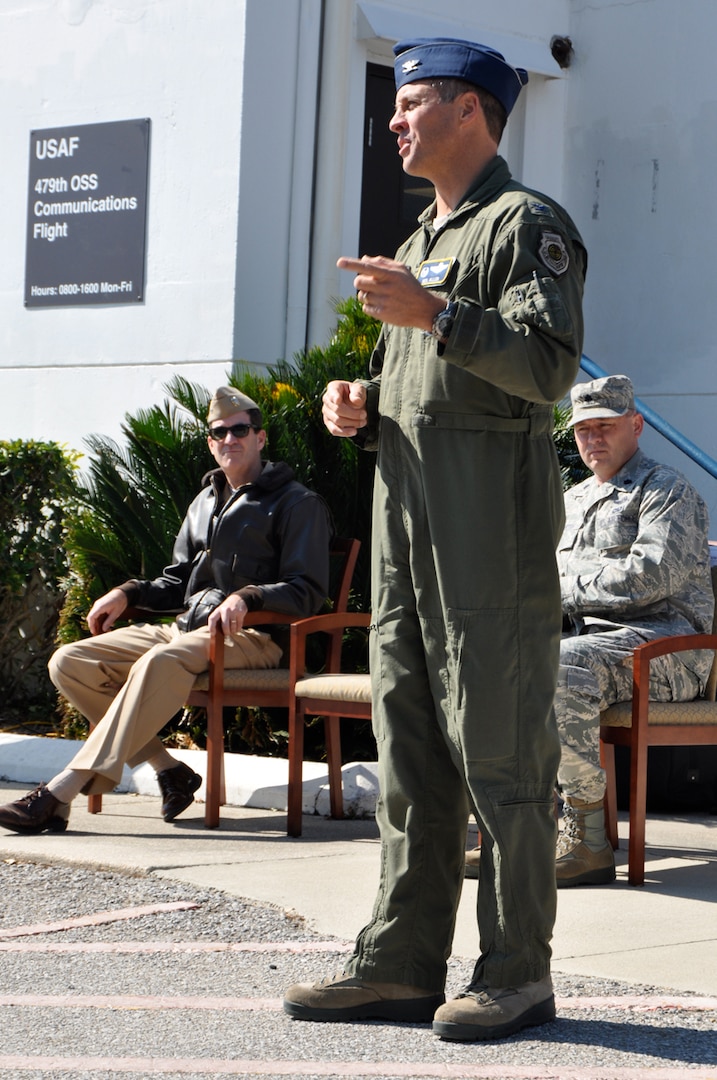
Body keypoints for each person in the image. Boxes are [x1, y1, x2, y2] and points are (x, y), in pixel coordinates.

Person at [283, 38, 587, 1042]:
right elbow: (438, 377)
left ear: (471, 111)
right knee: (411, 749)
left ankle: (516, 969)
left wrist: (440, 314)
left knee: (499, 750)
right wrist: (362, 400)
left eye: (413, 102)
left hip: (486, 539)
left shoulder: (524, 225)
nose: (395, 119)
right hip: (409, 529)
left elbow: (545, 370)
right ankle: (403, 962)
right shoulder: (417, 240)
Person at [0, 387, 333, 835]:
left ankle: (60, 792)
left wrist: (249, 596)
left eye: (240, 430)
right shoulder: (204, 502)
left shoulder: (296, 503)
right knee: (71, 662)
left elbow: (308, 590)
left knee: (161, 661)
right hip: (188, 633)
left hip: (255, 639)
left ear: (260, 437)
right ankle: (167, 767)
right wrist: (128, 592)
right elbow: (178, 581)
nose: (229, 438)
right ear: (210, 442)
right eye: (219, 432)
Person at [554, 374, 713, 887]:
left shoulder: (667, 490)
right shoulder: (571, 499)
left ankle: (587, 842)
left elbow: (650, 576)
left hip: (668, 650)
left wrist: (561, 586)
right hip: (597, 645)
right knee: (493, 660)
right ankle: (519, 830)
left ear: (637, 425)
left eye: (606, 426)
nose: (593, 438)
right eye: (583, 430)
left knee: (559, 665)